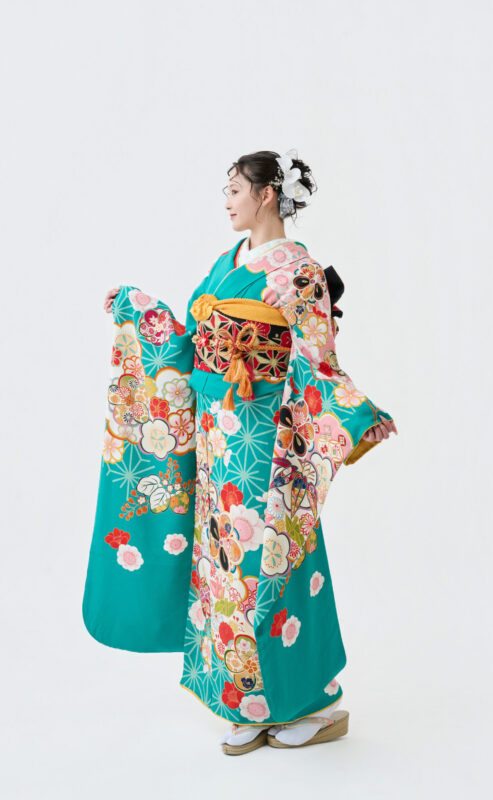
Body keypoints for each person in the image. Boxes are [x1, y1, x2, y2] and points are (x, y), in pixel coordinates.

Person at [102, 149, 397, 755]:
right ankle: (247, 703)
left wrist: (356, 415)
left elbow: (319, 361)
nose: (228, 201)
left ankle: (306, 705)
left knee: (272, 559)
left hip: (266, 438)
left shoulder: (300, 273)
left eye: (236, 189)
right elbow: (190, 342)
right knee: (222, 565)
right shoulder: (227, 262)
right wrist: (140, 311)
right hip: (219, 438)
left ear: (267, 195)